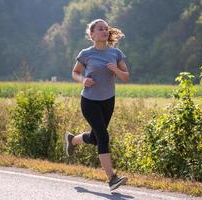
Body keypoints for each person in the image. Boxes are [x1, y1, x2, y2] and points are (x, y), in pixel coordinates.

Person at [65, 19, 129, 191]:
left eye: (106, 29)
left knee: (95, 138)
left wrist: (115, 70)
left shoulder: (116, 53)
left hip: (108, 101)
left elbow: (125, 76)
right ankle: (112, 178)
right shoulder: (86, 53)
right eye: (100, 29)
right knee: (103, 137)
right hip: (89, 101)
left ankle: (73, 140)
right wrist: (83, 80)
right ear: (92, 34)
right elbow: (75, 72)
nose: (104, 31)